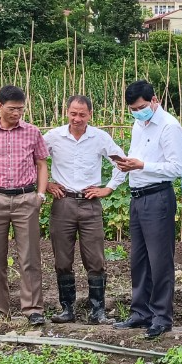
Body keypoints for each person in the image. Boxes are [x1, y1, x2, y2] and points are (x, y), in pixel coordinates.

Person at [108, 80, 182, 339]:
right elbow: (134, 157)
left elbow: (176, 168)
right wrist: (121, 172)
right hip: (137, 197)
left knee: (160, 260)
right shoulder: (138, 125)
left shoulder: (169, 126)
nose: (137, 112)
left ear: (155, 100)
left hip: (157, 197)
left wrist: (142, 165)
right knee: (138, 259)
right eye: (132, 109)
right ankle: (140, 312)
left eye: (141, 107)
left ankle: (162, 316)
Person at [42, 95, 125, 324]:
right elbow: (33, 159)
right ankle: (67, 308)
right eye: (73, 113)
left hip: (90, 203)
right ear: (66, 112)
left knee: (95, 259)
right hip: (63, 203)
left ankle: (97, 310)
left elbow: (122, 163)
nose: (77, 118)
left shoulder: (99, 137)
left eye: (82, 114)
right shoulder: (53, 137)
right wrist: (46, 184)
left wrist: (108, 188)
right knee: (62, 259)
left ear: (90, 114)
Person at [0, 85, 50, 325]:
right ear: (0, 107)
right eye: (12, 109)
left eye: (21, 109)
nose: (17, 113)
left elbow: (42, 164)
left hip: (26, 198)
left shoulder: (32, 132)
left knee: (29, 257)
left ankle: (33, 309)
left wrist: (40, 195)